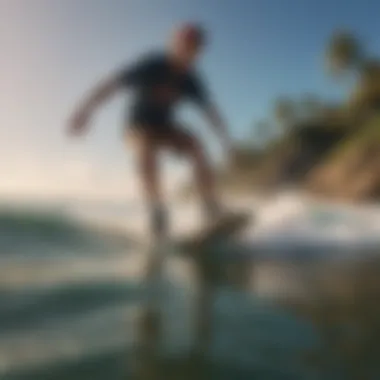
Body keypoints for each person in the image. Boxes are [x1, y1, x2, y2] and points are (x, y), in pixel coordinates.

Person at [68, 23, 234, 237]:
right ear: (174, 44)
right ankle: (157, 212)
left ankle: (211, 208)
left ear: (199, 52)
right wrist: (85, 111)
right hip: (136, 127)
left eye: (195, 48)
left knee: (196, 145)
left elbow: (211, 113)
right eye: (185, 45)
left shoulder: (191, 80)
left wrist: (227, 142)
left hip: (165, 128)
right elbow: (111, 85)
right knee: (145, 147)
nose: (189, 52)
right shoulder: (151, 66)